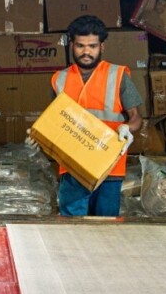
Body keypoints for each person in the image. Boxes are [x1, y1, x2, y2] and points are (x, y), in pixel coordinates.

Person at [45, 14, 143, 216]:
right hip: (73, 166)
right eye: (80, 46)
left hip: (109, 167)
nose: (86, 52)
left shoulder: (118, 75)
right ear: (72, 45)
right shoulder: (59, 79)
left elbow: (137, 117)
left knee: (105, 227)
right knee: (72, 227)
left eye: (92, 46)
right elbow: (53, 121)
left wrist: (128, 127)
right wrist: (40, 138)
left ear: (102, 47)